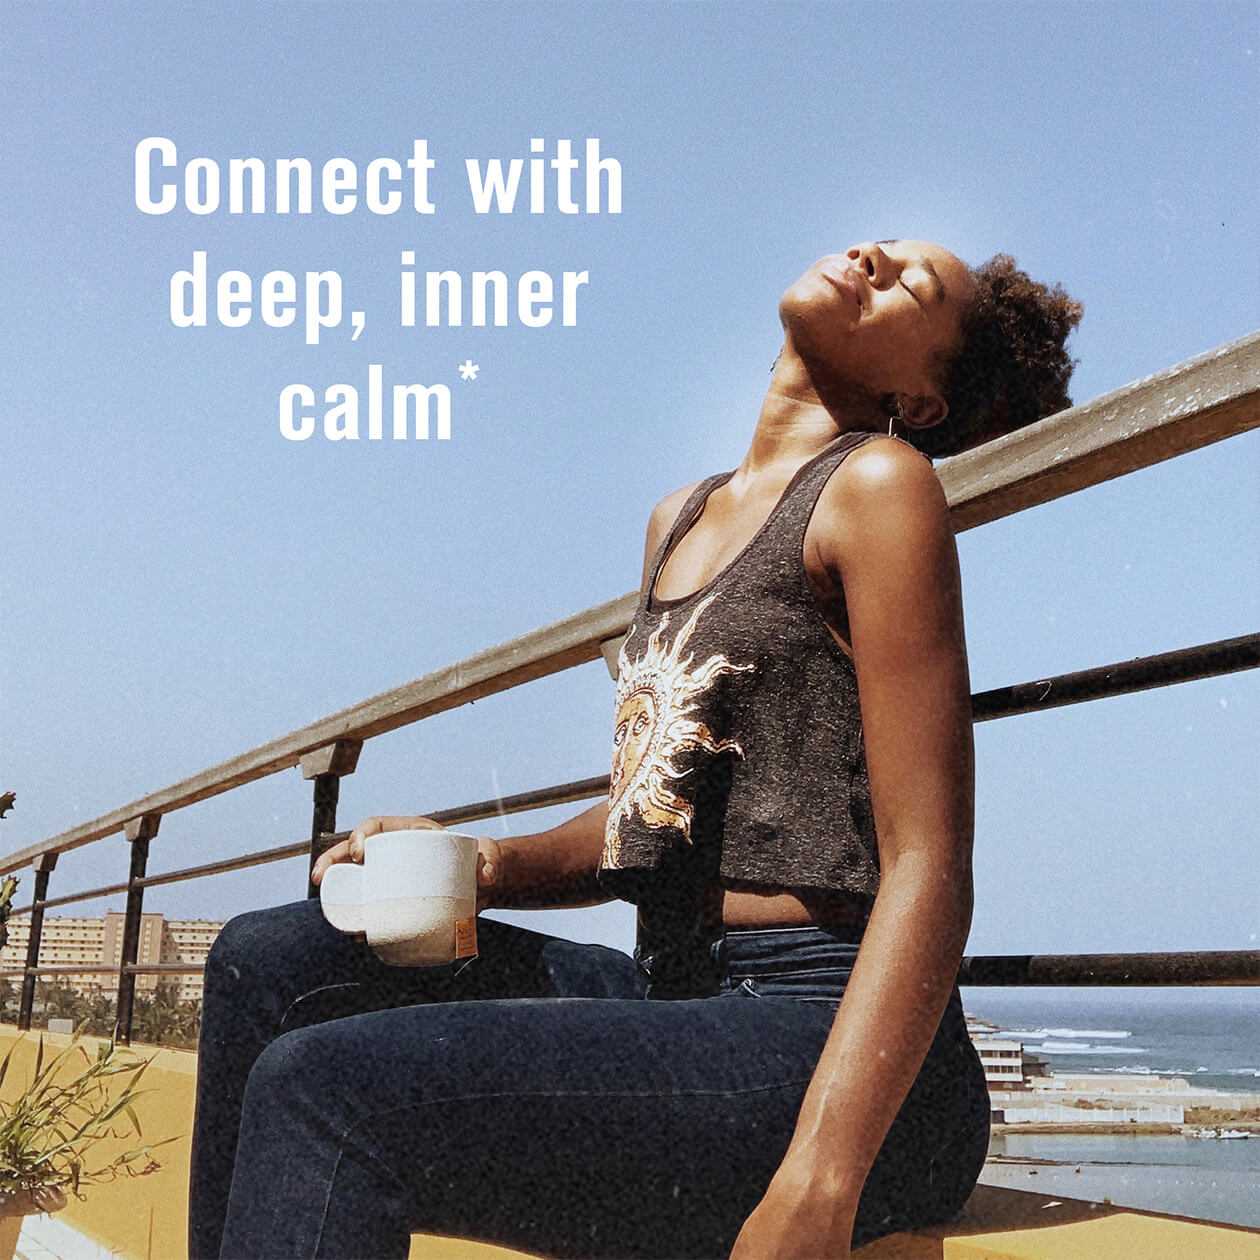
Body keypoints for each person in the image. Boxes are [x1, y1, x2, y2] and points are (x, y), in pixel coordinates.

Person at [189, 240, 1081, 1260]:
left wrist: (822, 1180)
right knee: (262, 961)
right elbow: (646, 816)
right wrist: (483, 865)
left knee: (327, 1091)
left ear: (920, 400)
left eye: (914, 285)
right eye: (884, 244)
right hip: (679, 995)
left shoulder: (880, 485)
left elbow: (930, 860)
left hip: (835, 1036)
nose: (876, 256)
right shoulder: (680, 519)